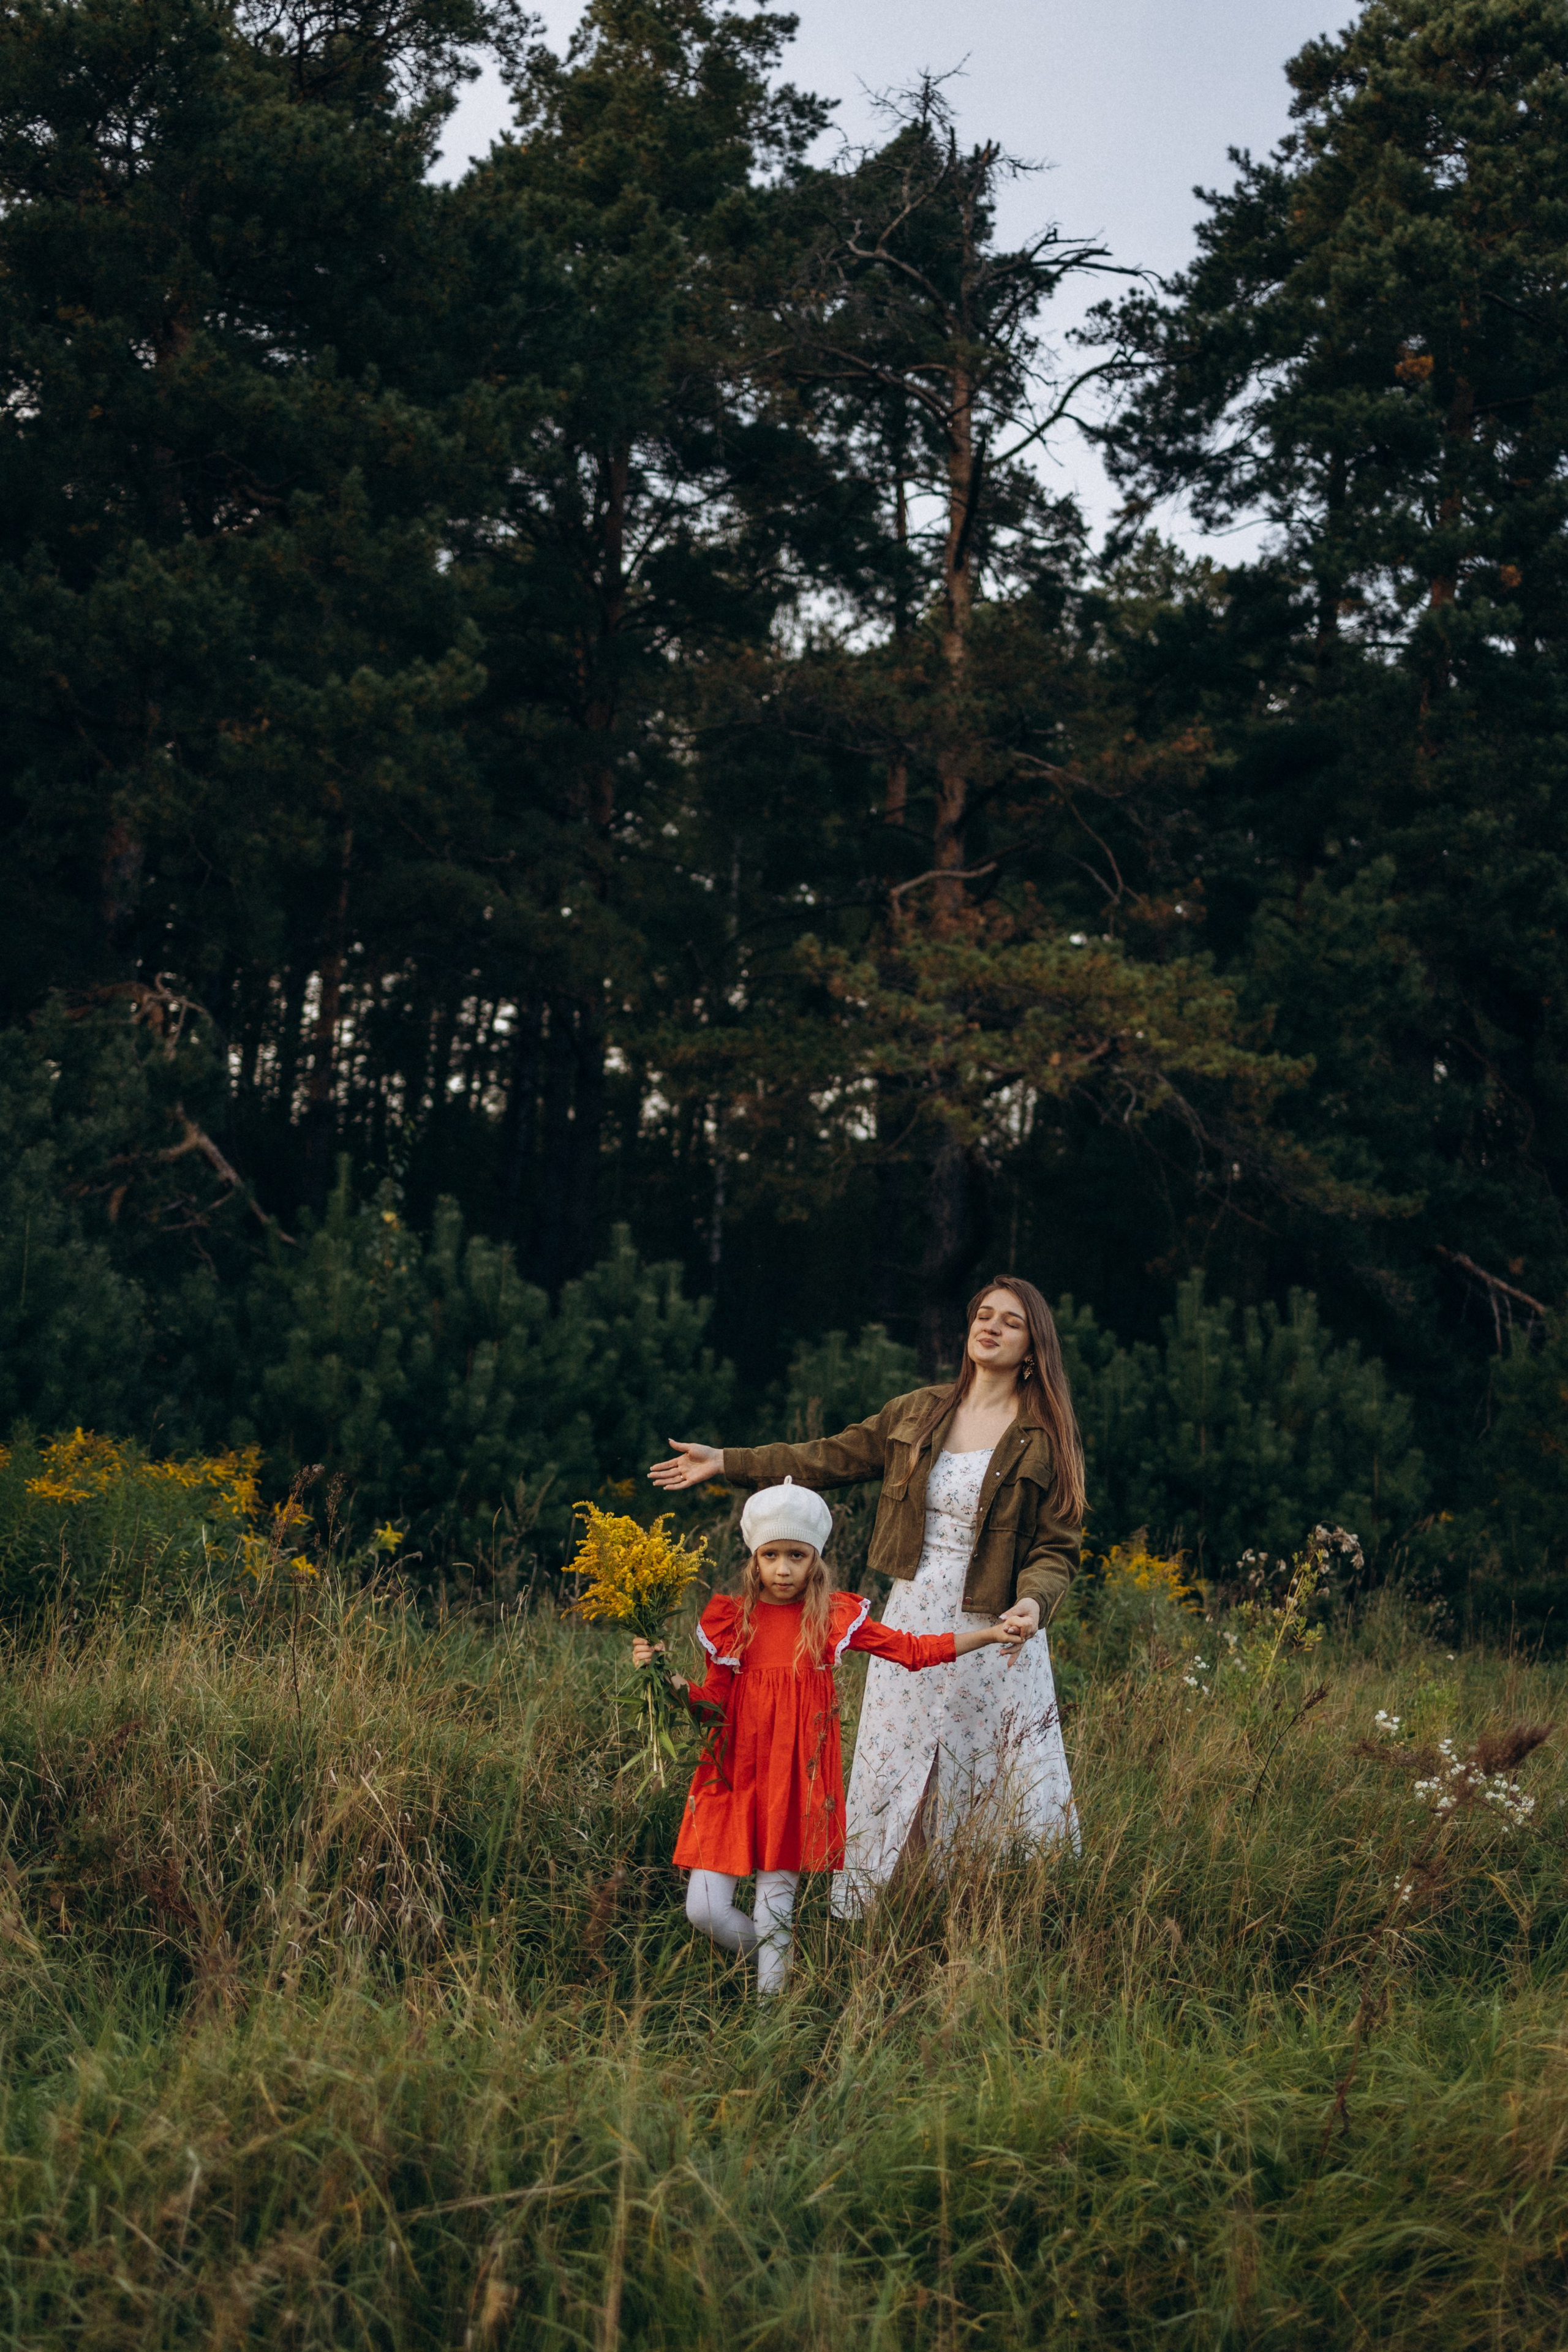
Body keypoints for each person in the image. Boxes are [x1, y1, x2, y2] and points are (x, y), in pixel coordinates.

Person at [649, 1275, 1083, 1913]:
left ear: (1032, 1346)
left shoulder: (1044, 1434)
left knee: (983, 1770)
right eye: (982, 1315)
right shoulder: (919, 1411)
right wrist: (729, 1461)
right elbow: (827, 1457)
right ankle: (884, 1916)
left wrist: (1033, 1603)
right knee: (898, 1762)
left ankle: (984, 1914)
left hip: (996, 1624)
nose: (989, 1327)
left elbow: (1056, 1547)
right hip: (912, 1608)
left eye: (1009, 1322)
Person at [635, 1478, 1020, 1992]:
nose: (784, 1569)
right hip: (731, 1776)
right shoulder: (734, 1621)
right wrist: (669, 1680)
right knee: (704, 1908)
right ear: (755, 1559)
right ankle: (774, 1959)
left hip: (795, 1778)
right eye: (771, 1556)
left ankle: (771, 2019)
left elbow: (913, 1650)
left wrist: (990, 1634)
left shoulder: (832, 1618)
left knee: (776, 1912)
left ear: (815, 1558)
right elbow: (713, 1707)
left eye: (797, 1555)